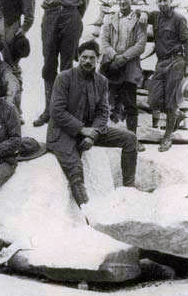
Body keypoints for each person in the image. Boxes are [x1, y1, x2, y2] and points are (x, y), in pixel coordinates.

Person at [46, 40, 137, 207]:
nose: (87, 61)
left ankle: (129, 190)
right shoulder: (64, 78)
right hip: (63, 132)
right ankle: (87, 212)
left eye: (92, 58)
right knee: (75, 169)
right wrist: (82, 129)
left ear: (98, 59)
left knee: (130, 139)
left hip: (89, 130)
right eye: (84, 57)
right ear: (78, 58)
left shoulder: (101, 81)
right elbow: (57, 112)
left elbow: (103, 112)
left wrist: (92, 134)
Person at [34, 0, 90, 127]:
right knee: (48, 63)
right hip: (49, 17)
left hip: (70, 16)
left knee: (66, 66)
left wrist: (74, 18)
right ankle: (49, 110)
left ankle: (63, 111)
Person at [100, 0, 147, 152]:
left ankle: (133, 140)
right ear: (116, 0)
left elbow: (141, 44)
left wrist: (124, 57)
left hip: (129, 68)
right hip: (112, 68)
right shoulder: (110, 19)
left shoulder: (138, 20)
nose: (122, 2)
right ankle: (102, 136)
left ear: (131, 0)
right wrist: (114, 57)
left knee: (130, 105)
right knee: (107, 102)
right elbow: (104, 42)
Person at [147, 0, 188, 152]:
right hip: (161, 62)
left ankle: (167, 137)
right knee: (153, 99)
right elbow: (141, 16)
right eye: (159, 1)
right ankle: (178, 116)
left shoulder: (179, 19)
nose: (162, 4)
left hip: (176, 62)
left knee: (171, 100)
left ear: (170, 0)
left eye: (164, 0)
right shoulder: (155, 16)